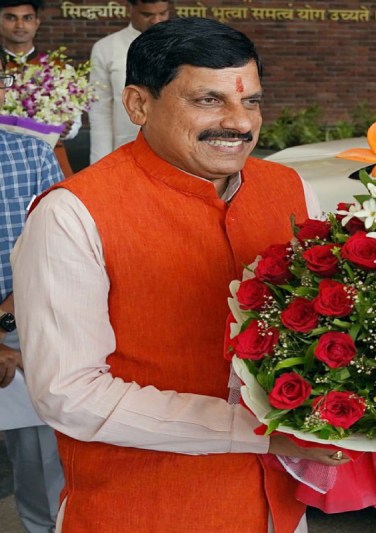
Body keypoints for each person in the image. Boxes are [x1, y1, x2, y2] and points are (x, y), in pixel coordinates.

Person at [12, 17, 348, 533]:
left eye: (251, 100)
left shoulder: (287, 188)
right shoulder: (73, 213)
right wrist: (256, 430)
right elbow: (69, 393)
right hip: (143, 509)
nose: (239, 122)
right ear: (138, 105)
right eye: (208, 100)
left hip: (278, 508)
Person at [0, 55, 65, 533]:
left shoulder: (32, 155)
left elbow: (61, 250)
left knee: (41, 466)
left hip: (21, 331)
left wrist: (8, 321)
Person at [0, 0, 77, 176]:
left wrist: (67, 128)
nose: (20, 25)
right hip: (5, 159)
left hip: (52, 157)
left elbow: (75, 120)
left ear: (37, 22)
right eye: (11, 18)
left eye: (27, 18)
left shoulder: (59, 68)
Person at [88, 0, 169, 164]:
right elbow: (99, 111)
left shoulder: (184, 47)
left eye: (163, 13)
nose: (156, 21)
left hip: (176, 154)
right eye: (147, 15)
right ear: (130, 9)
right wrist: (101, 164)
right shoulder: (106, 48)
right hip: (126, 151)